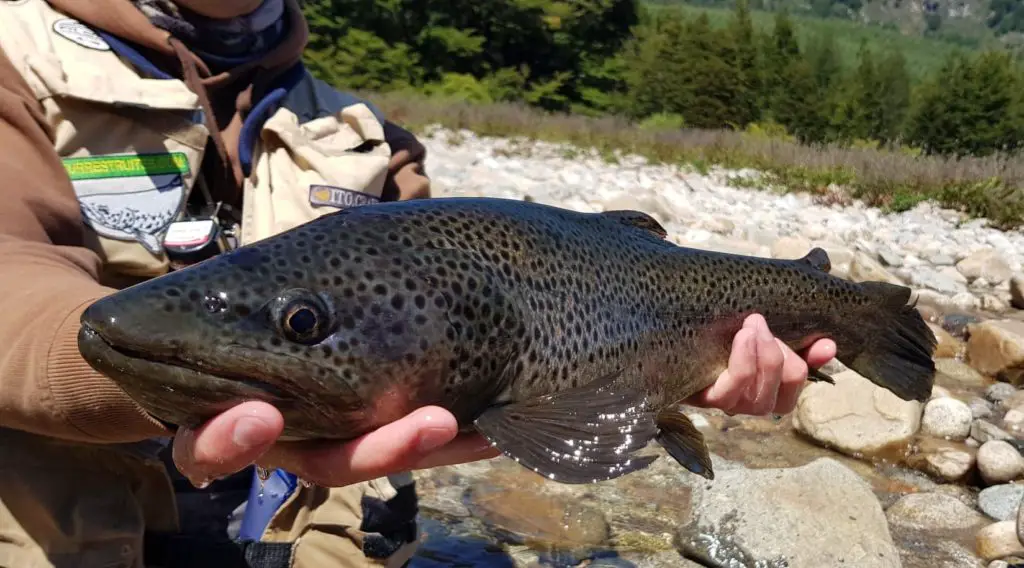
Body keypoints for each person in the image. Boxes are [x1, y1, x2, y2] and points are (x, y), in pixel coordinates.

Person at [0, 1, 838, 567]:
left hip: (308, 526)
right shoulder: (13, 58)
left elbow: (482, 316)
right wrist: (144, 384)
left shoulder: (363, 136)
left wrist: (673, 373)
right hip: (77, 520)